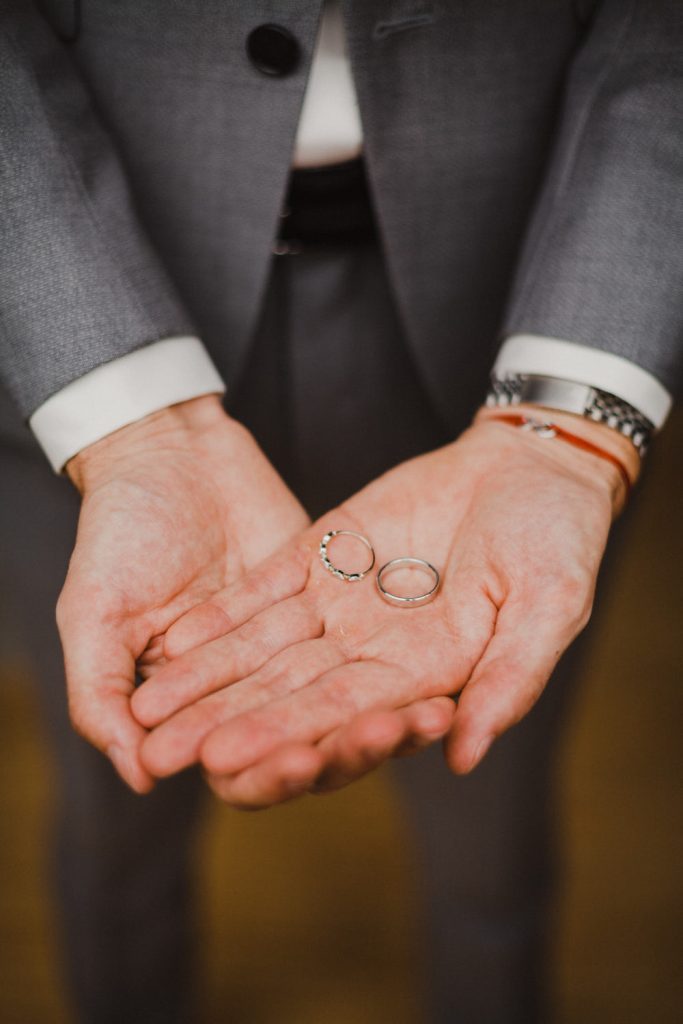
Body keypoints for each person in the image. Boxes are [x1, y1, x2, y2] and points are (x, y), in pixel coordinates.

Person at [1, 1, 680, 1021]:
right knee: (114, 822)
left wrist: (569, 432)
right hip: (88, 337)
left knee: (491, 832)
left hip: (498, 324)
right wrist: (130, 425)